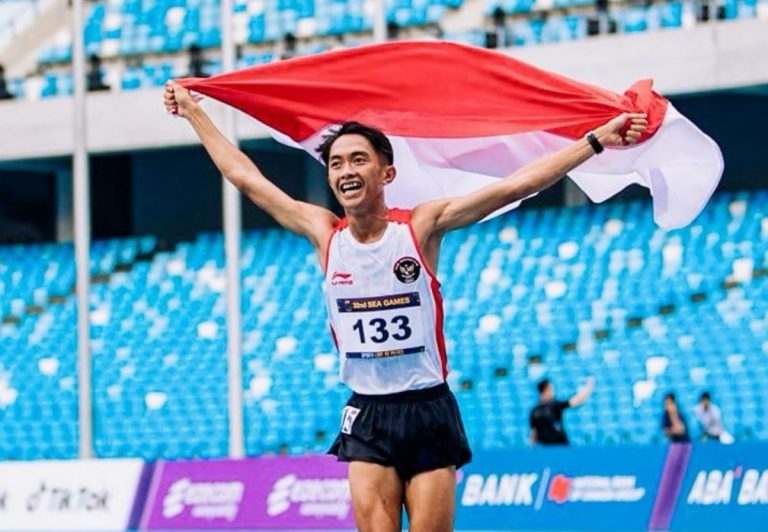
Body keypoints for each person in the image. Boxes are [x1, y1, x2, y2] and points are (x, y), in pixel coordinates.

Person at [163, 80, 647, 532]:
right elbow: (245, 177)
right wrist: (194, 113)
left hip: (427, 408)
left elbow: (514, 186)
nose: (346, 171)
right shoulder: (323, 233)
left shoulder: (419, 227)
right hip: (367, 412)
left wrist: (595, 142)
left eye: (358, 160)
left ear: (386, 173)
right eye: (336, 164)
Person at [530, 377, 595, 446]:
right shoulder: (535, 411)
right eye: (551, 389)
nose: (553, 391)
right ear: (546, 389)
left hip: (560, 446)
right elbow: (534, 433)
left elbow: (576, 401)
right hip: (546, 448)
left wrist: (588, 388)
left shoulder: (554, 405)